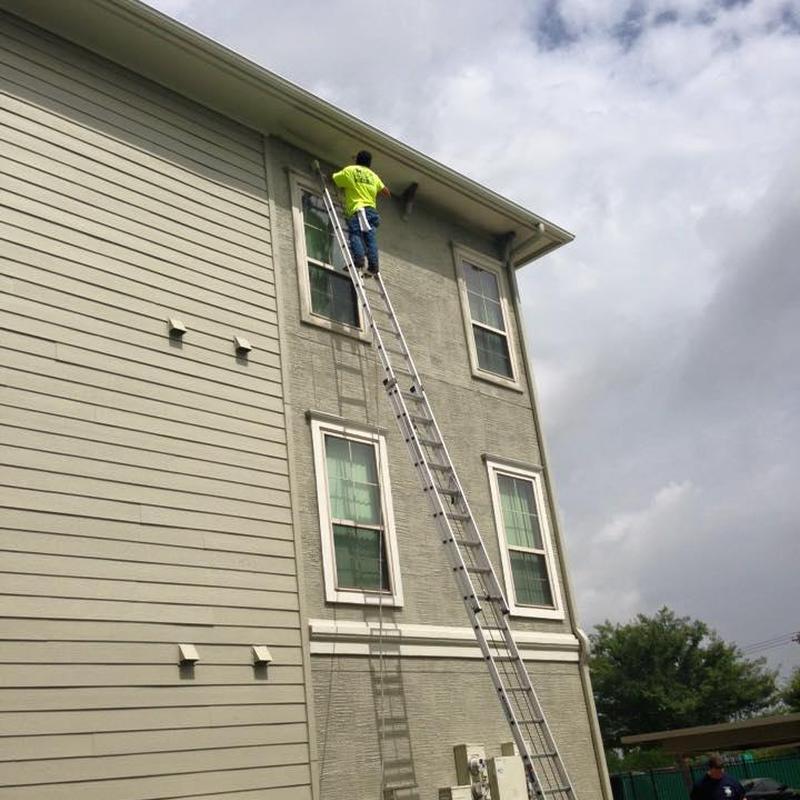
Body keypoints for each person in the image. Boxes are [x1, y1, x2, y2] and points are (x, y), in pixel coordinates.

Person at [332, 150, 390, 276]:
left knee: (356, 234)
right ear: (369, 163)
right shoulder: (373, 176)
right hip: (371, 211)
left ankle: (359, 260)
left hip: (358, 209)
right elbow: (386, 192)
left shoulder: (350, 170)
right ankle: (374, 266)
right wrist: (372, 193)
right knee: (371, 239)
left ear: (357, 160)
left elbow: (335, 179)